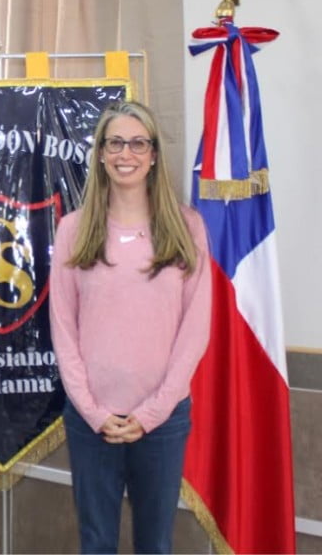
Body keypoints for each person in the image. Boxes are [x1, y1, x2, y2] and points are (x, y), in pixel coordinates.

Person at [49, 100, 211, 554]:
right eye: (116, 142)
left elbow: (195, 332)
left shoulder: (187, 227)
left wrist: (151, 413)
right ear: (100, 153)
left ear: (154, 154)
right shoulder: (73, 230)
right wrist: (95, 412)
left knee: (155, 544)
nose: (127, 153)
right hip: (89, 420)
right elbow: (64, 330)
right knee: (96, 542)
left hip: (162, 421)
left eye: (139, 143)